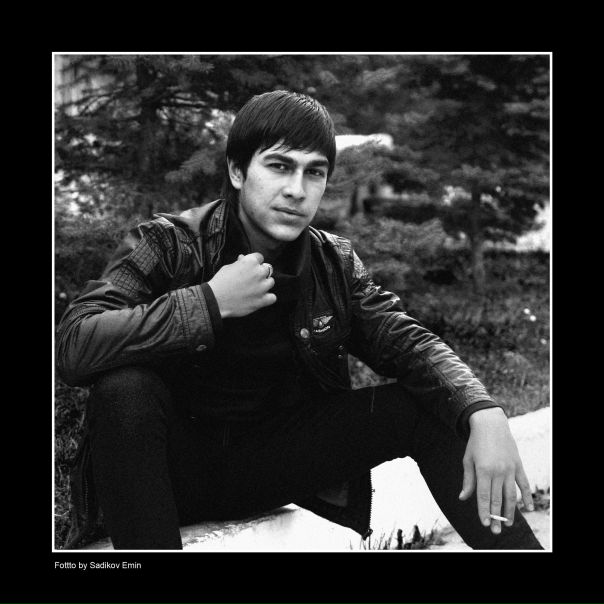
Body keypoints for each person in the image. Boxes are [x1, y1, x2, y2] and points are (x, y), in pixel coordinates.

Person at [57, 90, 543, 550]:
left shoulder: (332, 262)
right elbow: (75, 342)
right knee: (124, 389)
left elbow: (405, 341)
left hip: (268, 466)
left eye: (314, 173)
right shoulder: (170, 244)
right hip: (165, 471)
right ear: (237, 171)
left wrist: (483, 410)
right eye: (279, 166)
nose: (296, 190)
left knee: (427, 406)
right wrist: (209, 302)